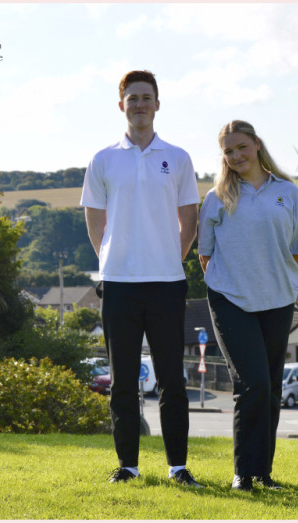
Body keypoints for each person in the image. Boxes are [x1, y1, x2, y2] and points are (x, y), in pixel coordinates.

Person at [81, 70, 201, 486]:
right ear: (121, 105)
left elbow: (190, 219)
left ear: (157, 104)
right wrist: (115, 259)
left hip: (167, 283)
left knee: (172, 380)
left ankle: (178, 467)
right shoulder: (103, 159)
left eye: (146, 97)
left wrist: (171, 258)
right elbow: (95, 221)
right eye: (132, 98)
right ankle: (128, 466)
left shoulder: (179, 158)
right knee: (123, 382)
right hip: (118, 286)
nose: (140, 104)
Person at [199, 120, 298, 490]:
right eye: (228, 151)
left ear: (257, 145)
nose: (235, 156)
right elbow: (206, 255)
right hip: (230, 300)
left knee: (272, 387)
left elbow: (297, 248)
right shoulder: (216, 198)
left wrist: (269, 275)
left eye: (241, 148)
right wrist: (237, 279)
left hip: (278, 299)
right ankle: (242, 473)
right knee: (253, 383)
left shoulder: (288, 193)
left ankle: (263, 473)